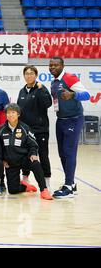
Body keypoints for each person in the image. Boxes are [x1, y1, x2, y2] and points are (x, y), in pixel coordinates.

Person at [49, 57, 90, 198]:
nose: (52, 67)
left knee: (69, 152)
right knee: (62, 153)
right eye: (51, 65)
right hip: (60, 120)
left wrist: (73, 94)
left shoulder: (69, 78)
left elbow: (87, 95)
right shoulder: (53, 83)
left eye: (56, 65)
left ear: (62, 66)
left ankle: (68, 187)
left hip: (74, 119)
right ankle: (71, 184)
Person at [0, 103, 53, 200]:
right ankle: (25, 186)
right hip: (10, 163)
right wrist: (3, 159)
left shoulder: (25, 128)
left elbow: (33, 144)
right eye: (8, 113)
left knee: (36, 163)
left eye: (13, 112)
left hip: (24, 159)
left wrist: (33, 154)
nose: (10, 115)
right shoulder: (1, 129)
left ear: (18, 114)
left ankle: (44, 190)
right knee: (13, 190)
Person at [17, 65, 53, 188]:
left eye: (31, 73)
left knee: (43, 155)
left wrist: (41, 90)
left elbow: (48, 104)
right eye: (26, 73)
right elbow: (19, 111)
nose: (29, 76)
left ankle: (46, 182)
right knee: (25, 154)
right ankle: (25, 180)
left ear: (36, 75)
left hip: (40, 130)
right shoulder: (22, 91)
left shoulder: (41, 88)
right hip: (26, 132)